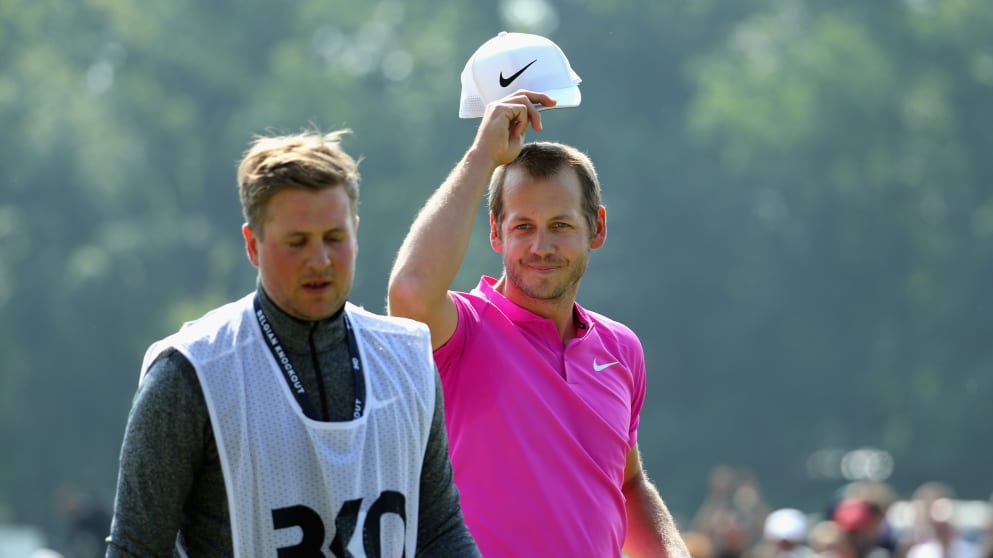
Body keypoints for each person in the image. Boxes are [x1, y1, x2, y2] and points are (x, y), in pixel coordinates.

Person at [106, 130, 479, 557]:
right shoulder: (190, 373)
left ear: (355, 232)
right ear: (252, 245)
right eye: (297, 242)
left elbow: (439, 532)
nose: (319, 260)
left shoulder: (409, 359)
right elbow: (136, 550)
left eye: (334, 238)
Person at [387, 90, 690, 557]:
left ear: (598, 229)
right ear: (495, 232)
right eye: (523, 226)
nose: (541, 246)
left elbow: (628, 485)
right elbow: (409, 290)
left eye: (561, 225)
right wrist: (481, 156)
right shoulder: (464, 330)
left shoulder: (620, 348)